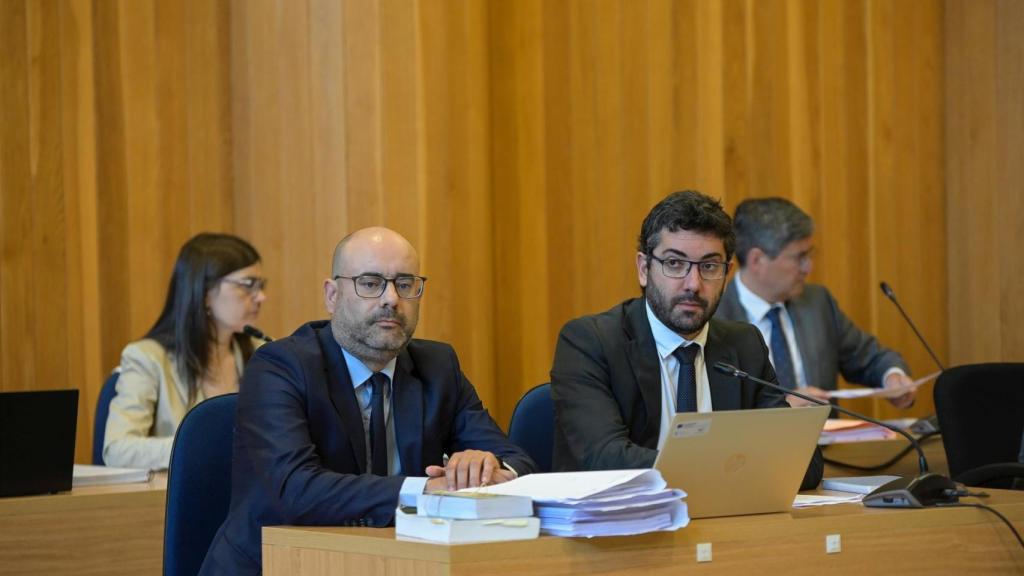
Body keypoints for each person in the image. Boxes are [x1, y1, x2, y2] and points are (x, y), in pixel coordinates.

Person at [200, 227, 536, 576]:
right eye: (371, 283)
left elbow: (519, 463)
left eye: (405, 284)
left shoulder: (438, 367)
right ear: (332, 295)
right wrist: (425, 490)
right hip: (283, 564)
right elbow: (297, 490)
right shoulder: (281, 366)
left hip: (396, 564)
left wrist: (486, 468)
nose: (391, 298)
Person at [550, 190, 823, 490]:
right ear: (644, 269)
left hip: (727, 527)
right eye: (675, 264)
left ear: (727, 272)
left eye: (709, 266)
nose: (693, 284)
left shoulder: (744, 345)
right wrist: (728, 468)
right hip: (622, 529)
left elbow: (803, 464)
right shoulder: (592, 343)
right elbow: (605, 460)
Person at [714, 197, 915, 409]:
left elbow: (869, 358)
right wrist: (780, 408)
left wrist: (892, 375)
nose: (808, 267)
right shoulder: (714, 319)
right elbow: (715, 414)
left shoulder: (817, 304)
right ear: (757, 260)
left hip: (827, 440)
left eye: (809, 255)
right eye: (799, 257)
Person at [103, 233, 268, 471]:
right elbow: (117, 449)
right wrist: (199, 447)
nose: (261, 296)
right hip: (180, 501)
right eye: (247, 285)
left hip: (251, 499)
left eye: (261, 285)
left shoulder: (261, 354)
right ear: (204, 294)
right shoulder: (147, 358)